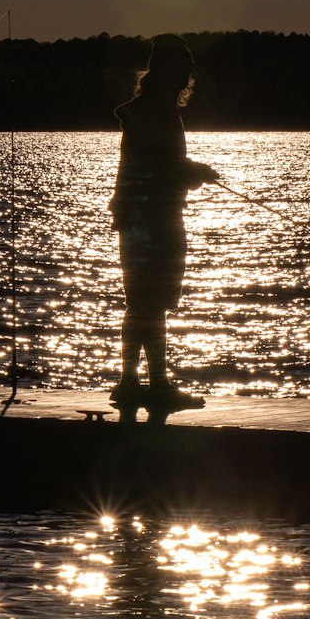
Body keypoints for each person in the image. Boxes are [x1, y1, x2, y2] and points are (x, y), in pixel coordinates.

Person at [109, 34, 218, 410]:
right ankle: (154, 385)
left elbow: (156, 166)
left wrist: (191, 172)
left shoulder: (148, 110)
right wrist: (197, 172)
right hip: (156, 219)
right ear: (171, 72)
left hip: (135, 218)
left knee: (140, 302)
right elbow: (162, 169)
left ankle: (130, 383)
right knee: (150, 303)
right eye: (183, 70)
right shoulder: (159, 113)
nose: (186, 77)